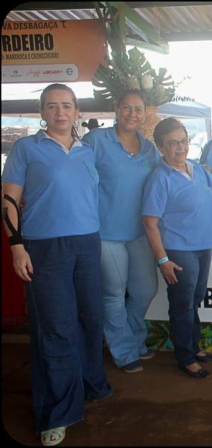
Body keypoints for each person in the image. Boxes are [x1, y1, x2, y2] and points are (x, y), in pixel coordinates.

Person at [2, 83, 112, 446]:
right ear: (42, 112)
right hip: (45, 248)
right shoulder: (26, 148)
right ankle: (56, 413)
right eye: (52, 106)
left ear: (77, 112)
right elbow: (9, 201)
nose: (60, 112)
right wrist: (17, 247)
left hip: (87, 243)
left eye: (66, 105)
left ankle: (90, 385)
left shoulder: (86, 151)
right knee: (56, 328)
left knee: (89, 319)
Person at [142, 117, 212, 379]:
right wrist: (162, 260)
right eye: (173, 143)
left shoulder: (196, 168)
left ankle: (193, 346)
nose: (180, 147)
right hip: (179, 250)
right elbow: (149, 223)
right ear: (161, 147)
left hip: (203, 246)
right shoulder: (160, 178)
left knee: (195, 300)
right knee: (182, 304)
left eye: (184, 140)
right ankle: (185, 357)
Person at [82, 90, 161, 374]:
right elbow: (78, 180)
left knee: (145, 290)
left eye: (138, 109)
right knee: (114, 294)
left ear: (145, 114)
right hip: (106, 234)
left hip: (139, 233)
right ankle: (125, 351)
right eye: (126, 107)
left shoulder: (150, 148)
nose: (132, 114)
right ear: (116, 109)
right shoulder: (96, 141)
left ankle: (133, 340)